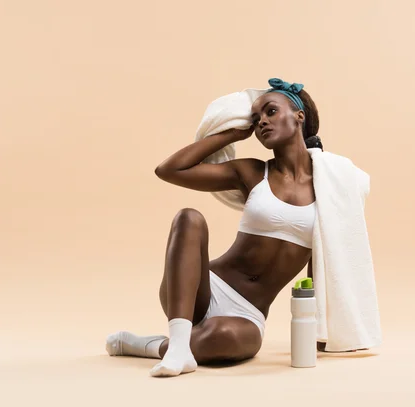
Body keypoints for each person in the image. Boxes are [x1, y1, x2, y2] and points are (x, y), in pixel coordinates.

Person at [106, 79, 327, 377]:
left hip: (247, 314)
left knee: (223, 337)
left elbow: (325, 260)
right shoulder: (251, 172)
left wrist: (322, 327)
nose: (262, 121)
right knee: (188, 217)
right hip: (198, 288)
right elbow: (169, 170)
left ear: (299, 116)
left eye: (271, 111)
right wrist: (232, 133)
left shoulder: (329, 187)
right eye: (257, 117)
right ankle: (180, 345)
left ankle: (159, 346)